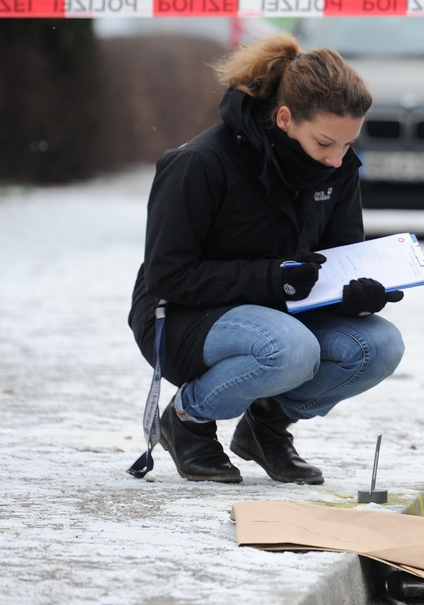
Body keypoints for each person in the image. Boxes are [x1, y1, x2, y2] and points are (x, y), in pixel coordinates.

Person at [127, 33, 405, 484]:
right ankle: (186, 421)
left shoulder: (337, 170)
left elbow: (338, 258)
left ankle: (265, 427)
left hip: (282, 308)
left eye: (347, 145)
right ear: (284, 119)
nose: (337, 160)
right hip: (182, 317)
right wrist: (272, 279)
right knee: (293, 349)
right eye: (324, 144)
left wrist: (355, 294)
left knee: (379, 345)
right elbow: (168, 275)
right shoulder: (198, 164)